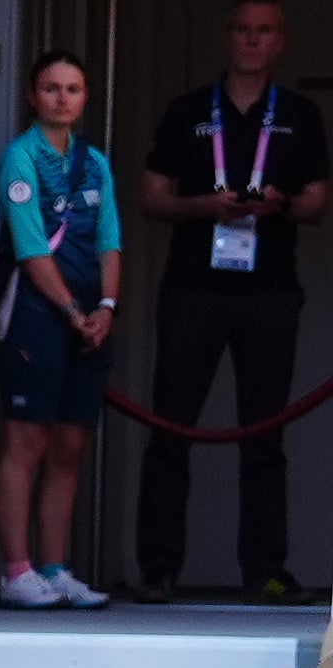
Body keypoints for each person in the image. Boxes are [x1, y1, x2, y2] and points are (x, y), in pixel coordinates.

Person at [139, 1, 324, 597]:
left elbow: (319, 202)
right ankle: (159, 569)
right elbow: (152, 197)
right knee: (170, 427)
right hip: (193, 287)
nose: (251, 39)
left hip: (270, 291)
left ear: (280, 42)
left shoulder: (299, 114)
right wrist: (204, 207)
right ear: (228, 38)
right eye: (243, 29)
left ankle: (265, 571)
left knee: (265, 435)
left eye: (263, 30)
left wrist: (279, 204)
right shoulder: (188, 111)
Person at [0, 76, 123, 608]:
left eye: (73, 89)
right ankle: (16, 571)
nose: (62, 98)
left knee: (70, 446)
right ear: (33, 95)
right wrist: (72, 310)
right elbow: (29, 246)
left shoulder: (95, 160)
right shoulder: (19, 157)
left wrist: (107, 308)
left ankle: (54, 568)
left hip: (89, 318)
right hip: (35, 314)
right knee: (27, 443)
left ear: (85, 97)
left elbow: (111, 240)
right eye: (51, 88)